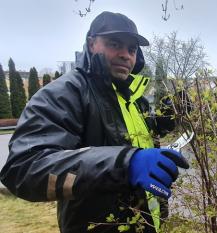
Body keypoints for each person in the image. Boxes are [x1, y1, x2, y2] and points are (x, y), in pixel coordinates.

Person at [0, 11, 189, 233]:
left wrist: (165, 120)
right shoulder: (65, 93)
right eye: (114, 43)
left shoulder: (133, 98)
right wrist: (124, 164)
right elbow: (23, 169)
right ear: (91, 44)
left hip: (147, 224)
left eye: (132, 49)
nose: (125, 54)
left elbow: (135, 136)